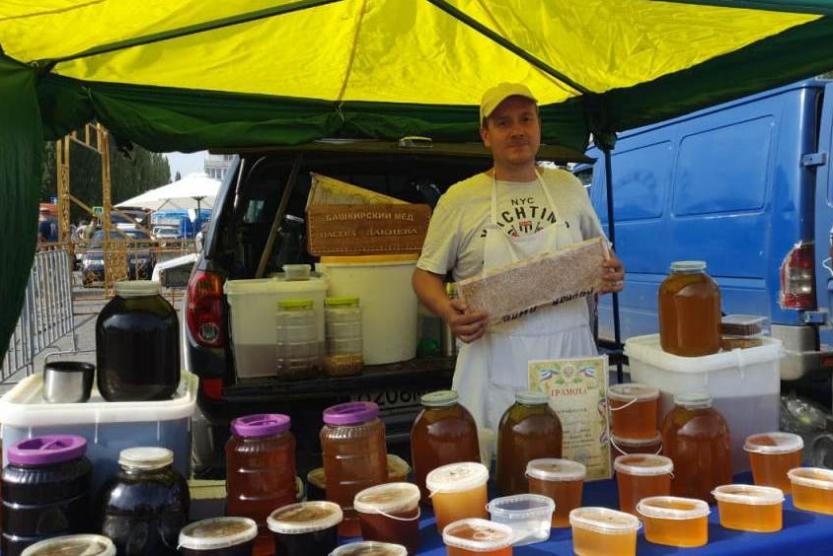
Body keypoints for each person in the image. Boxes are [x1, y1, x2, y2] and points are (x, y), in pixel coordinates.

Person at [412, 82, 625, 433]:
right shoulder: (460, 198)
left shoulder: (568, 187)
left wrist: (613, 270)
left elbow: (602, 253)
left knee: (574, 468)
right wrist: (450, 313)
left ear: (538, 126)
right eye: (503, 123)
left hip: (570, 358)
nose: (517, 131)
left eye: (526, 119)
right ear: (485, 135)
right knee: (502, 467)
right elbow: (424, 276)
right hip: (493, 356)